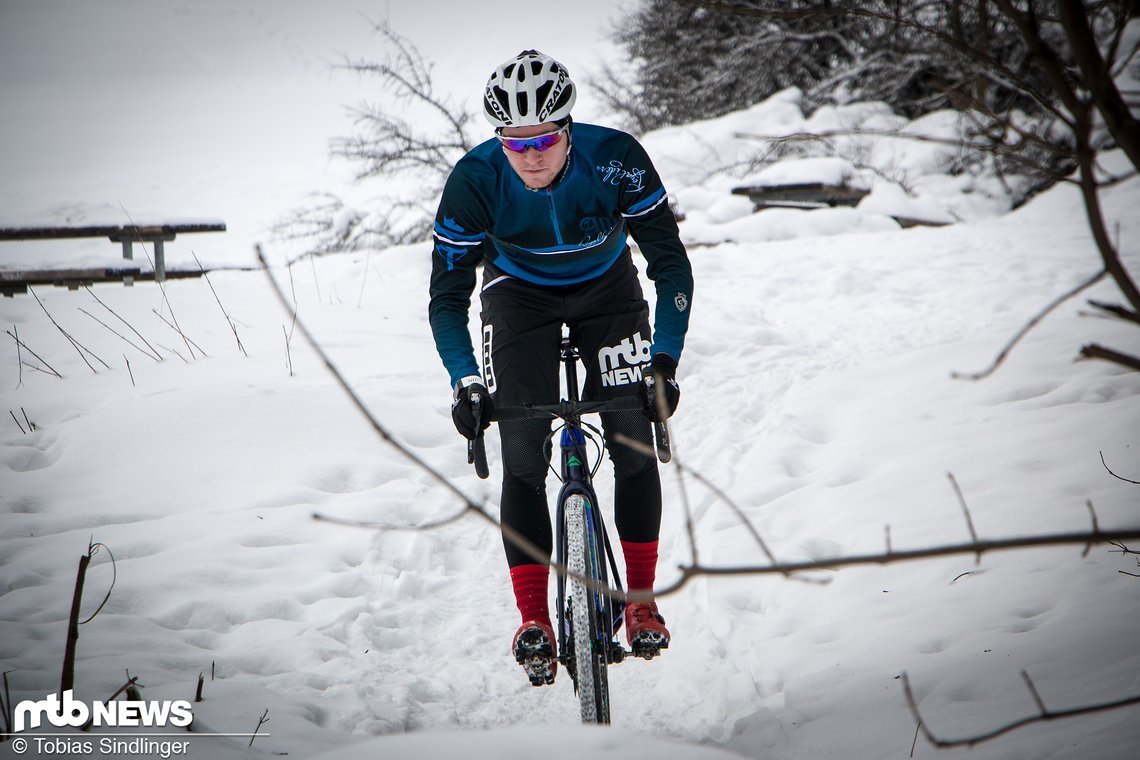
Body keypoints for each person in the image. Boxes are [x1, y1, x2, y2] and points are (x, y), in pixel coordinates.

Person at [428, 50, 693, 686]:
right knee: (520, 451)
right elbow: (446, 298)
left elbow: (671, 266)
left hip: (608, 289)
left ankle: (640, 603)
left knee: (630, 440)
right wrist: (466, 381)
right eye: (515, 143)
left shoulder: (617, 159)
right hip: (518, 297)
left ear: (568, 127)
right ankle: (534, 620)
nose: (532, 154)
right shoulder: (474, 180)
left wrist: (664, 360)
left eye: (545, 137)